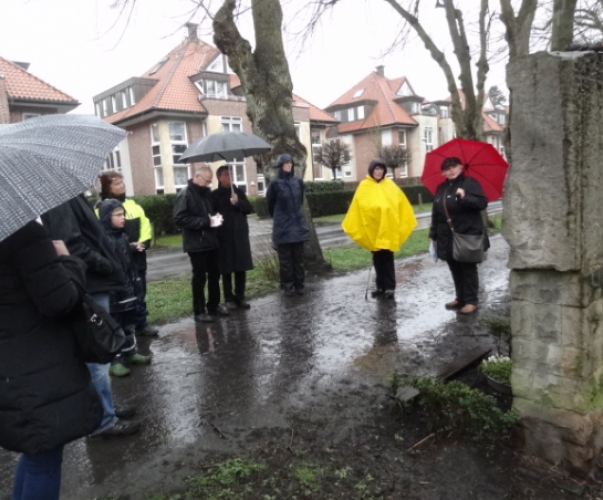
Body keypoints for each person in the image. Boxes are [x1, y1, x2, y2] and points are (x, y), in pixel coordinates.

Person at [0, 221, 103, 500]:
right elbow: (60, 300)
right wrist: (66, 259)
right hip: (35, 364)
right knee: (44, 455)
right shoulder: (21, 232)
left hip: (10, 366)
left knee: (36, 451)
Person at [42, 195, 140, 438]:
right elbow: (70, 245)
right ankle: (103, 421)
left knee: (100, 353)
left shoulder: (70, 197)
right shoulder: (61, 199)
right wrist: (107, 265)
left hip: (94, 286)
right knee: (97, 352)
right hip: (91, 288)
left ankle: (106, 409)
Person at [342, 158, 417, 299]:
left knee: (387, 258)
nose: (379, 171)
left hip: (388, 229)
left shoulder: (390, 185)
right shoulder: (364, 186)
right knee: (377, 259)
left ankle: (390, 287)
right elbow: (358, 206)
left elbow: (399, 204)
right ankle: (380, 286)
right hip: (373, 230)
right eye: (376, 169)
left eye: (381, 169)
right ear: (371, 170)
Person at [98, 171, 158, 337]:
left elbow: (145, 225)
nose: (122, 186)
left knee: (140, 290)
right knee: (121, 296)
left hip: (138, 257)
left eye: (122, 183)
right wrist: (127, 246)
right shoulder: (100, 209)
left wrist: (142, 243)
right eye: (117, 183)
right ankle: (125, 329)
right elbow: (101, 234)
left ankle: (141, 324)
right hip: (118, 260)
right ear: (107, 187)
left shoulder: (134, 205)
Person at [98, 199, 152, 377]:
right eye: (118, 215)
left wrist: (132, 247)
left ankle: (130, 352)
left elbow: (124, 256)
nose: (124, 218)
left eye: (123, 214)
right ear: (107, 217)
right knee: (115, 325)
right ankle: (115, 360)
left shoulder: (122, 236)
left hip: (128, 288)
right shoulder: (102, 239)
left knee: (129, 323)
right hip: (114, 292)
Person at [429, 156, 489, 315]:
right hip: (446, 235)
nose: (450, 170)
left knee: (467, 268)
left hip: (466, 233)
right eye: (446, 168)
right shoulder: (441, 188)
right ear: (443, 172)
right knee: (454, 267)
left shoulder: (469, 183)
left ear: (461, 167)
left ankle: (471, 301)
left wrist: (465, 196)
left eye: (453, 166)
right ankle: (460, 298)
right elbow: (436, 212)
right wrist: (433, 233)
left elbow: (482, 203)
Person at [173, 166, 230, 323]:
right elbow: (180, 218)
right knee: (199, 277)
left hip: (211, 241)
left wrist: (214, 219)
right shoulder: (185, 194)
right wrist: (206, 221)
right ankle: (199, 311)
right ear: (197, 177)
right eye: (207, 181)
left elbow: (207, 215)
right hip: (196, 244)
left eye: (210, 181)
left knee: (214, 275)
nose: (209, 184)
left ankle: (213, 306)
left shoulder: (205, 195)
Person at [266, 153, 309, 297]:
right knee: (285, 260)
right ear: (280, 165)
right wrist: (280, 218)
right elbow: (270, 205)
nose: (289, 165)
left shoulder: (298, 181)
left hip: (297, 225)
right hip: (283, 226)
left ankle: (299, 285)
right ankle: (287, 286)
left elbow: (300, 200)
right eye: (286, 163)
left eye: (290, 162)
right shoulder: (275, 183)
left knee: (298, 258)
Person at [211, 165, 254, 310]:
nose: (229, 177)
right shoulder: (215, 195)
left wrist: (238, 202)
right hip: (224, 237)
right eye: (225, 175)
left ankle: (240, 297)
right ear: (219, 178)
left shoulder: (238, 192)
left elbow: (248, 208)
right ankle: (228, 298)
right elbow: (212, 215)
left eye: (231, 174)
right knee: (227, 268)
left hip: (240, 235)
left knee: (240, 267)